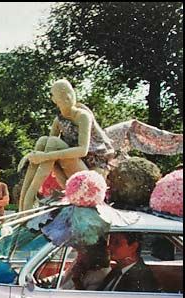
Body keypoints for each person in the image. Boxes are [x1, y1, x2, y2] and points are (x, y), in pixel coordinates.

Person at [18, 79, 183, 211]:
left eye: (66, 94)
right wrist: (35, 156)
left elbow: (82, 150)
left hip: (92, 172)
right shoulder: (58, 119)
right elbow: (47, 151)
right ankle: (26, 200)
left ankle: (29, 199)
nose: (65, 98)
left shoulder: (83, 116)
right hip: (69, 173)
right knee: (43, 141)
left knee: (52, 142)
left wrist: (45, 156)